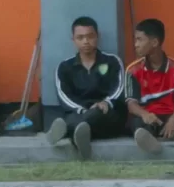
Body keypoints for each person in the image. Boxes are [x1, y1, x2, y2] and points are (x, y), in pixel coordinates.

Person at [46, 17, 129, 159]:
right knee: (76, 117)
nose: (86, 41)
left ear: (98, 37)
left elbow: (120, 88)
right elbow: (64, 96)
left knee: (93, 116)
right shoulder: (65, 67)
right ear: (73, 40)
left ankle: (68, 131)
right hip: (80, 110)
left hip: (107, 112)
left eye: (90, 36)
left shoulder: (112, 61)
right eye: (80, 37)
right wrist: (84, 111)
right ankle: (81, 131)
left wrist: (106, 103)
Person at [124, 18, 174, 156]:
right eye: (135, 40)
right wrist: (145, 114)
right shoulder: (132, 70)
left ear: (154, 42)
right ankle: (152, 145)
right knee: (138, 125)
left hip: (172, 116)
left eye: (139, 40)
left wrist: (173, 120)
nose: (135, 44)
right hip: (148, 117)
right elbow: (131, 104)